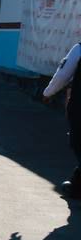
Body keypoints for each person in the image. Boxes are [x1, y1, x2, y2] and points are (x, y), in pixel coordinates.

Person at [44, 40, 81, 198]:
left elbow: (62, 75)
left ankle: (76, 187)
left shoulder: (79, 49)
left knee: (78, 143)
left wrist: (48, 93)